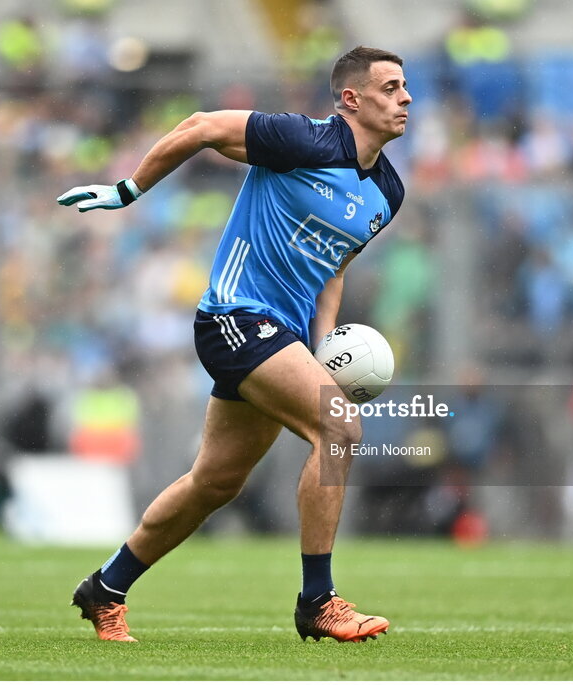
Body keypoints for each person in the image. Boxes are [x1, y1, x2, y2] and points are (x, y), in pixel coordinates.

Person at [56, 46, 411, 642]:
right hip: (235, 317)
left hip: (282, 338)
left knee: (215, 482)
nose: (406, 98)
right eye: (391, 87)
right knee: (340, 428)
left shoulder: (388, 192)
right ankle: (317, 602)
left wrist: (322, 347)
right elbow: (200, 128)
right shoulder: (303, 140)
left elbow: (335, 269)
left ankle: (104, 589)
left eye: (406, 87)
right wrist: (128, 190)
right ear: (352, 99)